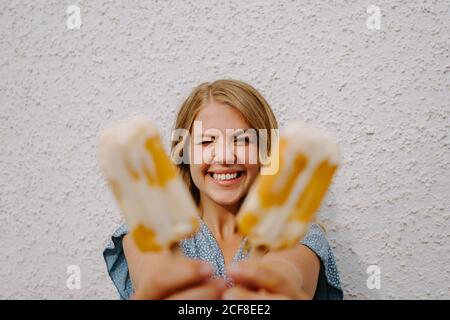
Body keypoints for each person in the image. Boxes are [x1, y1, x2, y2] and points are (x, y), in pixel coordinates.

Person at [103, 79, 343, 299]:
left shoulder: (301, 235)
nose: (226, 156)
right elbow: (151, 269)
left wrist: (276, 283)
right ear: (183, 151)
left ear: (266, 151)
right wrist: (162, 285)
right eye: (207, 141)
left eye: (244, 139)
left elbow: (289, 270)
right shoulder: (145, 229)